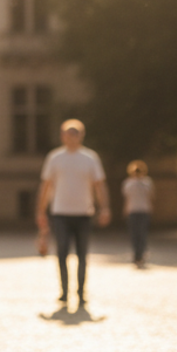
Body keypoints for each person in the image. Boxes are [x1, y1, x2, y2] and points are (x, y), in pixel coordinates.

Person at [35, 120, 110, 308]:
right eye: (68, 133)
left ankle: (81, 292)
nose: (71, 136)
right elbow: (46, 186)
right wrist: (41, 211)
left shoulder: (90, 158)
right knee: (62, 253)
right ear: (62, 136)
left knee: (82, 255)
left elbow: (99, 185)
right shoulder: (55, 158)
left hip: (84, 213)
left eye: (75, 133)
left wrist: (105, 208)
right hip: (60, 212)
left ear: (81, 135)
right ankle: (64, 291)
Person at [122, 160, 154, 267]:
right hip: (134, 210)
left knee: (141, 234)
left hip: (143, 210)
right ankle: (137, 254)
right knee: (135, 234)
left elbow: (150, 195)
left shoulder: (146, 182)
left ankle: (140, 254)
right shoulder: (129, 183)